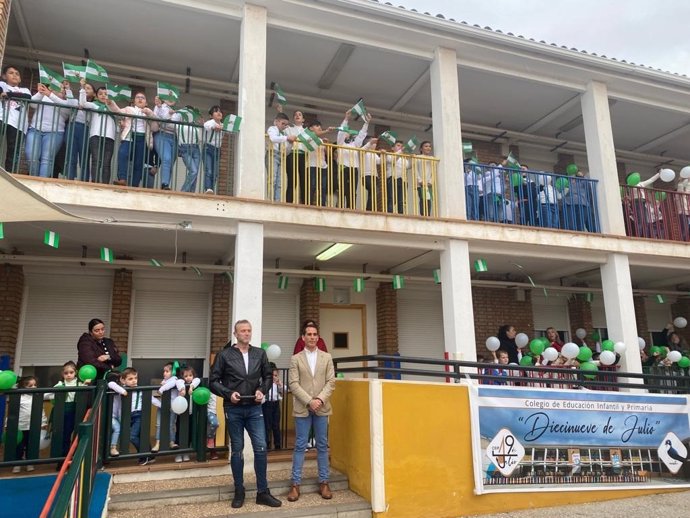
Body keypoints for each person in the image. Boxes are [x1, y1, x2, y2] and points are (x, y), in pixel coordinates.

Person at [209, 320, 281, 509]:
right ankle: (239, 490)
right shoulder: (224, 355)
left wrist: (262, 390)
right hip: (234, 409)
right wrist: (227, 394)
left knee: (261, 447)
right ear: (236, 334)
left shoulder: (260, 353)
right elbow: (213, 381)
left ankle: (262, 492)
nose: (247, 333)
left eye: (249, 330)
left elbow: (267, 376)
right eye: (243, 331)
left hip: (255, 407)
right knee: (237, 450)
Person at [287, 322, 336, 502]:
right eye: (309, 334)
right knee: (300, 445)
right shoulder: (296, 358)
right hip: (303, 408)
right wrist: (309, 401)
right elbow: (293, 383)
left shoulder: (327, 357)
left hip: (322, 408)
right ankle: (295, 484)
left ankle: (324, 482)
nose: (312, 337)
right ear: (303, 337)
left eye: (315, 334)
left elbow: (331, 381)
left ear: (318, 337)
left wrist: (319, 400)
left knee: (322, 445)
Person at [108, 368, 155, 465]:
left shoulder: (140, 389)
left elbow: (152, 399)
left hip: (138, 415)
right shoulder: (122, 388)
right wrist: (122, 390)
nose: (134, 380)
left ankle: (143, 455)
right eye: (130, 379)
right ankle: (149, 455)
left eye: (135, 378)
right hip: (127, 417)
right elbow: (110, 384)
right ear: (123, 380)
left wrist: (164, 406)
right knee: (136, 436)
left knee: (133, 436)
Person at [107, 92, 156, 188]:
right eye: (138, 97)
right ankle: (122, 179)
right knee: (122, 153)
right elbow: (118, 112)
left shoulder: (148, 112)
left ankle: (134, 185)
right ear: (134, 101)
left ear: (146, 102)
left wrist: (149, 113)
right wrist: (110, 102)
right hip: (130, 135)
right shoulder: (129, 109)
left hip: (142, 137)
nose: (140, 99)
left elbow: (155, 127)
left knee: (139, 162)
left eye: (143, 97)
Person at [25, 82, 71, 178]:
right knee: (31, 157)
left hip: (55, 132)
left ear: (64, 91)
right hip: (35, 129)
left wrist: (50, 95)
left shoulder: (67, 102)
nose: (57, 89)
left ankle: (42, 182)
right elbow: (32, 104)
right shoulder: (45, 97)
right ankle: (34, 180)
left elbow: (67, 111)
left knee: (46, 159)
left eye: (61, 88)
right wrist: (40, 93)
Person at [45, 361, 85, 461]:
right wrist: (57, 391)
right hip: (61, 411)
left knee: (73, 433)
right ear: (63, 374)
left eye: (71, 372)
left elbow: (85, 391)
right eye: (66, 373)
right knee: (63, 435)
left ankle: (74, 457)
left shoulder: (79, 383)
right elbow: (48, 394)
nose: (69, 375)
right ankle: (63, 458)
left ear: (76, 372)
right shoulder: (60, 384)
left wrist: (86, 384)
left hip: (74, 411)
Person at [79, 81, 117, 183]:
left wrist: (111, 103)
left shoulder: (113, 107)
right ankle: (95, 182)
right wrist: (82, 89)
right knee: (96, 160)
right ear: (96, 95)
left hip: (109, 137)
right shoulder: (94, 105)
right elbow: (83, 103)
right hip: (95, 135)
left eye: (106, 94)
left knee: (106, 163)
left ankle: (105, 184)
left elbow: (120, 114)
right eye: (100, 94)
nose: (103, 96)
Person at [13, 376, 48, 473]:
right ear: (23, 387)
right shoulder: (20, 396)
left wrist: (43, 422)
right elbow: (13, 412)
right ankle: (17, 463)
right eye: (30, 386)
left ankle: (29, 462)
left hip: (33, 426)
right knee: (19, 446)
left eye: (35, 385)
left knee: (31, 445)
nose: (33, 387)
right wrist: (8, 424)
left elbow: (41, 411)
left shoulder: (37, 396)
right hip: (20, 426)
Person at [0, 64, 32, 172]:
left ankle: (9, 174)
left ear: (20, 79)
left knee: (13, 151)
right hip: (2, 119)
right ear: (4, 76)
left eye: (17, 74)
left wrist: (7, 94)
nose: (14, 75)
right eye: (11, 73)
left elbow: (27, 97)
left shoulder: (24, 90)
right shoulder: (2, 84)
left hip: (18, 124)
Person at [337, 111, 371, 209]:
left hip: (354, 168)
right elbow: (341, 132)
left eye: (348, 132)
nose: (347, 133)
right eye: (347, 131)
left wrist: (366, 123)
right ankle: (340, 207)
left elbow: (361, 135)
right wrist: (346, 119)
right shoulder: (340, 143)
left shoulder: (355, 144)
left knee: (352, 190)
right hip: (343, 168)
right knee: (343, 189)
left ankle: (351, 208)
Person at [267, 113, 297, 202]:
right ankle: (270, 199)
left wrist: (291, 144)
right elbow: (273, 138)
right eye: (282, 123)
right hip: (272, 154)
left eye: (286, 124)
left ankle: (277, 200)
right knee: (273, 178)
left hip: (281, 156)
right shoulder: (272, 129)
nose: (284, 126)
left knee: (280, 181)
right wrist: (287, 138)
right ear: (276, 122)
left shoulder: (283, 134)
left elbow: (287, 151)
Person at [152, 361, 181, 454]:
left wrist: (161, 389)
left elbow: (171, 384)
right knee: (159, 425)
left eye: (167, 371)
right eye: (164, 371)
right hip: (163, 405)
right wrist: (162, 385)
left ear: (173, 372)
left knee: (171, 425)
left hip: (172, 406)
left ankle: (171, 442)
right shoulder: (164, 381)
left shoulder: (175, 379)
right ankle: (157, 443)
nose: (164, 373)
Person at [152, 95, 178, 190]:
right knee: (166, 159)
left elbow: (177, 128)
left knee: (170, 162)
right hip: (162, 135)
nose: (171, 99)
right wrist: (169, 115)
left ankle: (166, 184)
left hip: (174, 138)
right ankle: (164, 184)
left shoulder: (177, 112)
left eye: (173, 97)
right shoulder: (159, 107)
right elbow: (159, 122)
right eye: (168, 96)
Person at [203, 105, 224, 194]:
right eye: (216, 111)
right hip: (208, 148)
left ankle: (211, 188)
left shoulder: (223, 125)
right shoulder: (211, 122)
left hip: (217, 149)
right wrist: (214, 127)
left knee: (215, 172)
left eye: (220, 111)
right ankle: (208, 188)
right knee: (209, 170)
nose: (219, 112)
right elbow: (206, 125)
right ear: (211, 115)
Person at [263, 367, 285, 450]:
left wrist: (279, 383)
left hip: (275, 404)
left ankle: (277, 444)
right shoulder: (265, 382)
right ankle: (267, 444)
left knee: (276, 425)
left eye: (276, 375)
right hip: (267, 403)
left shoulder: (277, 383)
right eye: (272, 375)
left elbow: (285, 390)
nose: (274, 377)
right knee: (267, 425)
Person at [385, 140, 408, 214]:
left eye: (401, 146)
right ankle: (390, 213)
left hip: (402, 179)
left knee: (401, 199)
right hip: (391, 178)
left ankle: (401, 213)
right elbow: (392, 160)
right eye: (398, 145)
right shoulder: (389, 155)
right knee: (391, 197)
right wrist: (400, 152)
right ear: (392, 148)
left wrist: (412, 157)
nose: (400, 147)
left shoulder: (404, 159)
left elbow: (408, 166)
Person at [414, 141, 434, 216]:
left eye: (429, 146)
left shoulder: (432, 158)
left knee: (428, 200)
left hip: (429, 184)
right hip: (421, 183)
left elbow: (433, 171)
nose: (428, 148)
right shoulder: (417, 157)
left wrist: (431, 181)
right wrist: (420, 180)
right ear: (421, 149)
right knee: (423, 199)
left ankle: (428, 215)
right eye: (426, 146)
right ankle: (423, 215)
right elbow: (415, 170)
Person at [361, 137, 380, 211]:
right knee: (374, 190)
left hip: (375, 176)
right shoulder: (364, 152)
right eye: (374, 143)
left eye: (375, 143)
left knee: (372, 192)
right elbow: (363, 149)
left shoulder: (374, 154)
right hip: (366, 176)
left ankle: (370, 209)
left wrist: (383, 154)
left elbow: (379, 161)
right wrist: (370, 142)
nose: (375, 145)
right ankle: (369, 209)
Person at [206, 391, 220, 460]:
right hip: (210, 411)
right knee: (214, 423)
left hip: (221, 410)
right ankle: (210, 439)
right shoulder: (209, 384)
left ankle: (213, 450)